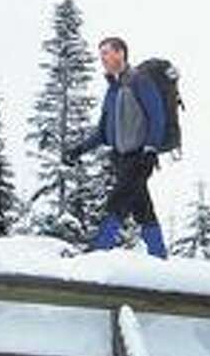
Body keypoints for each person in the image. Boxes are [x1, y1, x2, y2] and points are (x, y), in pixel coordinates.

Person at [68, 36, 169, 257]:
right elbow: (103, 132)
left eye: (106, 52)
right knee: (142, 209)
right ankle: (159, 254)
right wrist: (79, 150)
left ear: (120, 53)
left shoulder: (139, 81)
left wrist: (151, 150)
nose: (102, 58)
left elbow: (157, 116)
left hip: (140, 157)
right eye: (100, 53)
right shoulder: (112, 90)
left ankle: (100, 246)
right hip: (121, 158)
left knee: (118, 199)